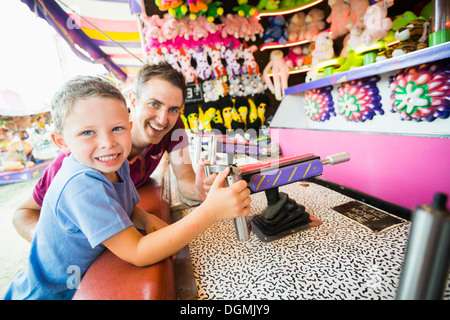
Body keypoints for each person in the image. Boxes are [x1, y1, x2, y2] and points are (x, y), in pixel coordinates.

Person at [4, 76, 251, 300]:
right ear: (61, 142)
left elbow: (129, 208)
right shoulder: (80, 185)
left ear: (128, 125)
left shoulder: (116, 161)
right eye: (88, 132)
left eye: (117, 128)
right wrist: (209, 212)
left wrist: (146, 220)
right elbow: (138, 251)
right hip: (53, 293)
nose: (107, 143)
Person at [13, 62, 213, 242]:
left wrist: (199, 191)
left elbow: (185, 176)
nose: (162, 119)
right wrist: (51, 244)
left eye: (173, 109)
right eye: (154, 104)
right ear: (133, 101)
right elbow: (24, 212)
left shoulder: (175, 127)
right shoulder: (78, 159)